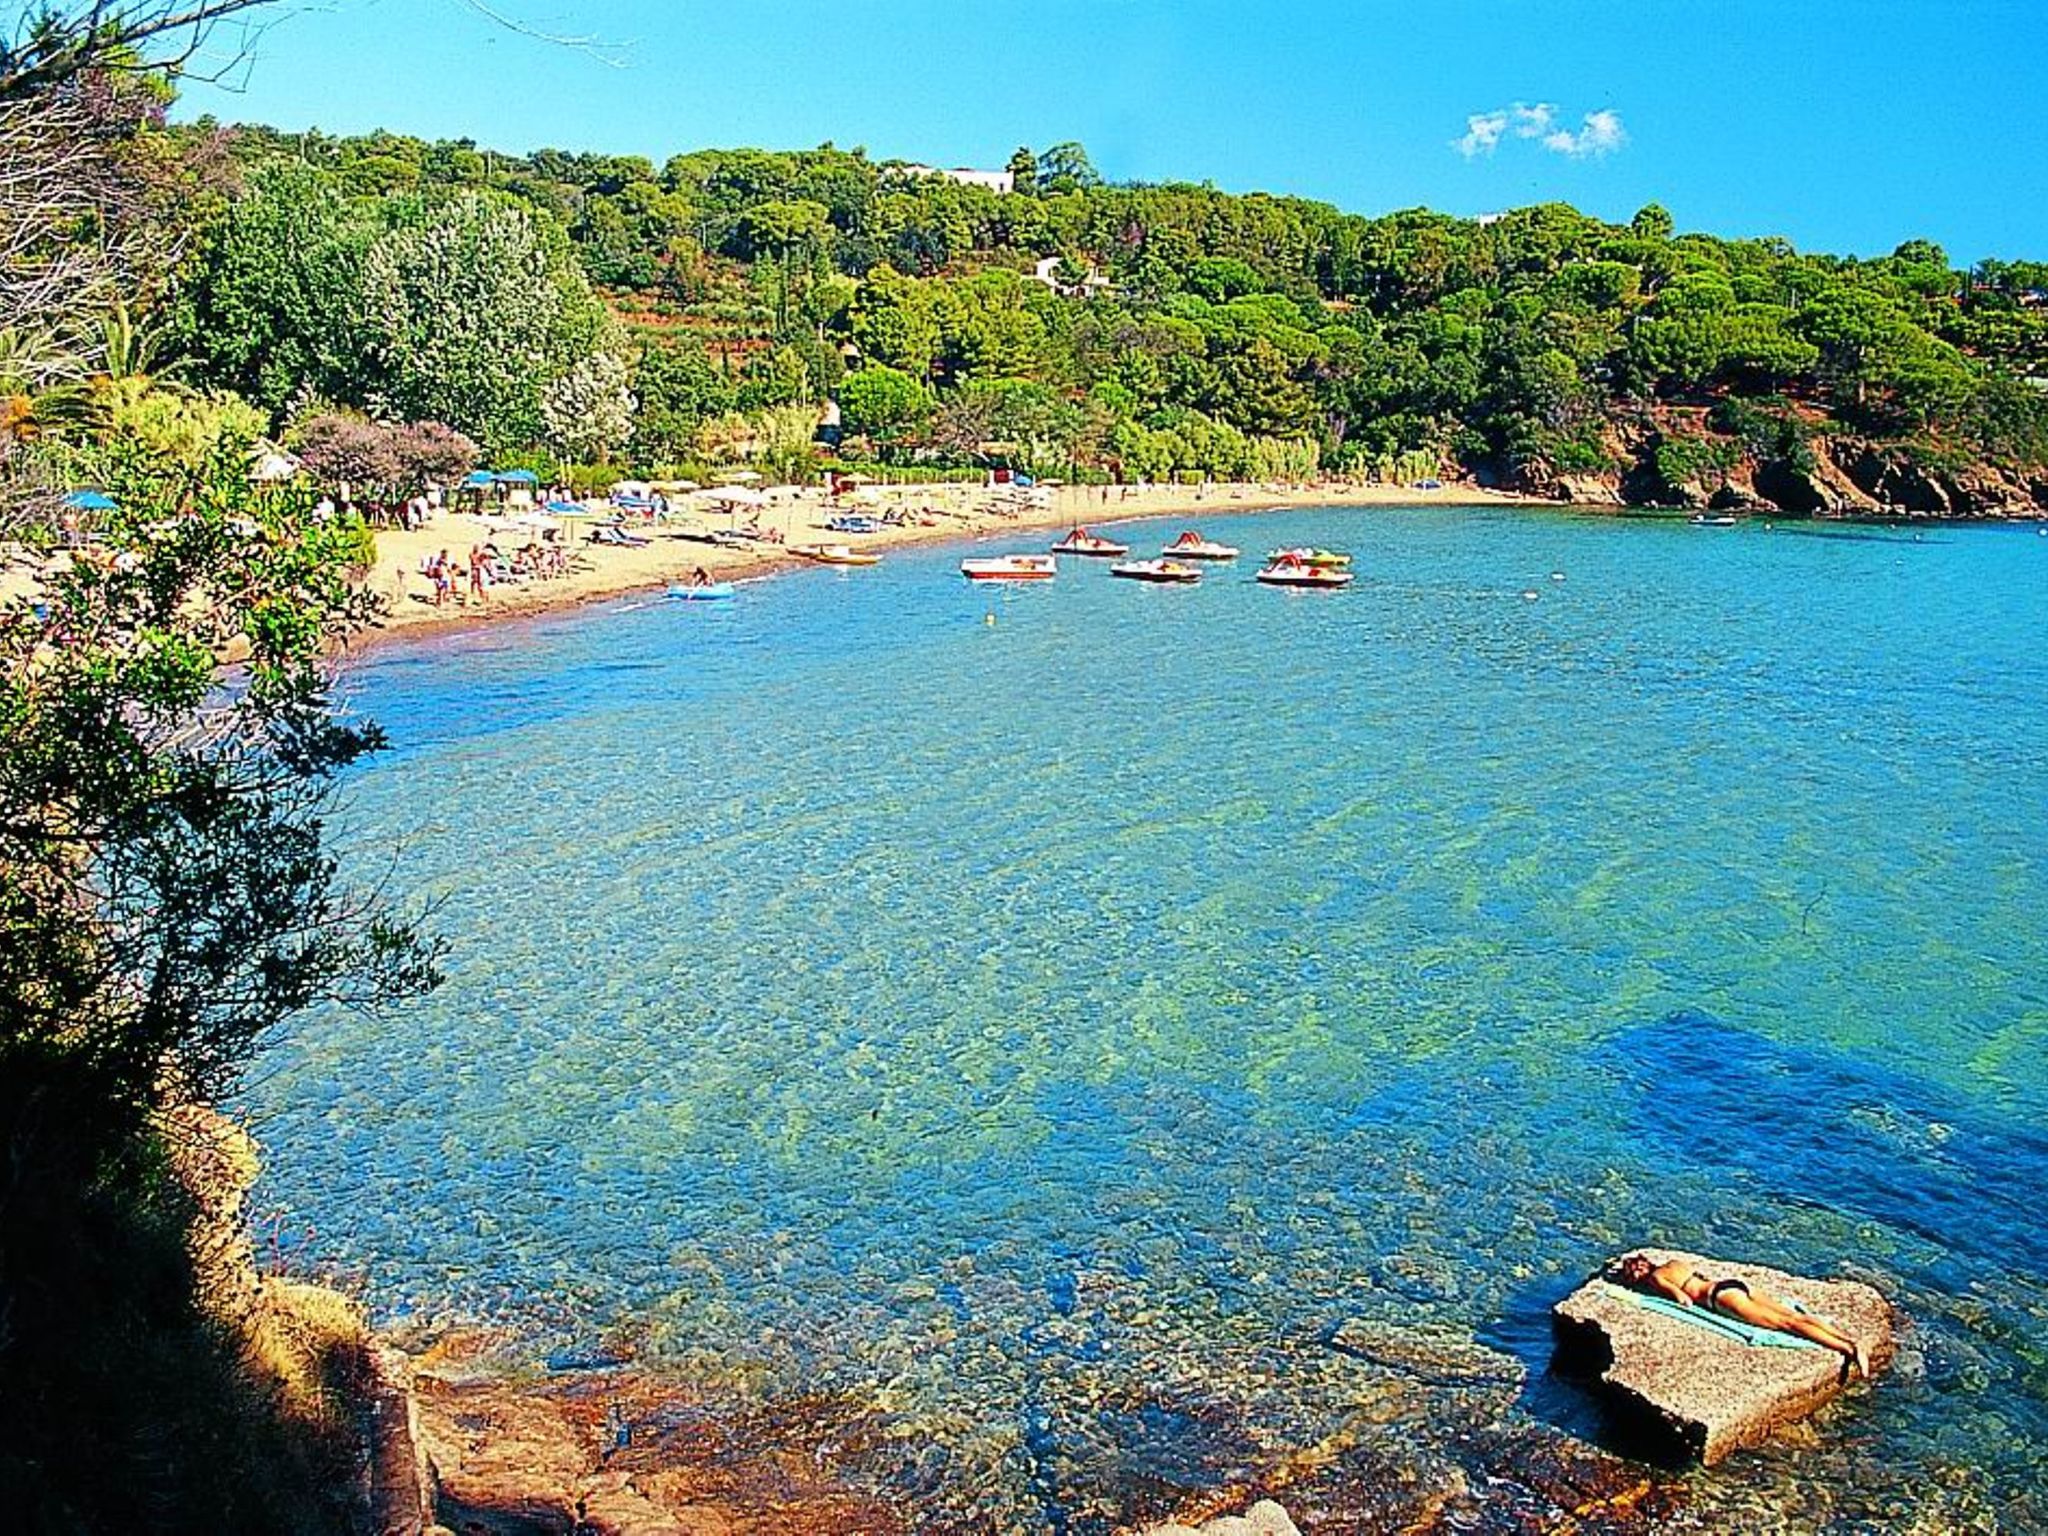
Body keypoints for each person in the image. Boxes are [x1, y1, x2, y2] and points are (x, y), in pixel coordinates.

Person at [1616, 1254, 1869, 1379]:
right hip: (1732, 1284)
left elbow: (1684, 1300)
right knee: (1792, 1315)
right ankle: (1849, 1339)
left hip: (1721, 1299)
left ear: (1639, 1274)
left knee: (1787, 1324)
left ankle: (1846, 1348)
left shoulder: (1657, 1278)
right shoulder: (1673, 1263)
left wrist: (1663, 1295)